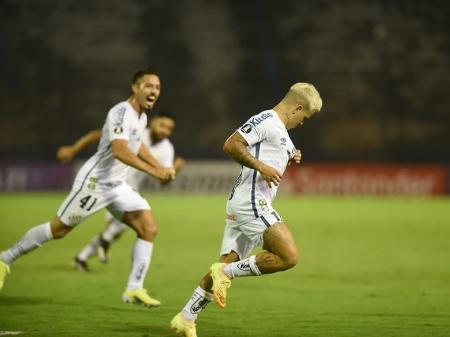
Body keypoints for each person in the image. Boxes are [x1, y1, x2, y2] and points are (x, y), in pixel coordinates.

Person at [0, 68, 176, 309]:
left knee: (148, 228)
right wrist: (154, 171)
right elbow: (120, 150)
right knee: (58, 230)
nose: (154, 91)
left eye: (157, 87)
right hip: (95, 183)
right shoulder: (121, 112)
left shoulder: (142, 117)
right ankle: (4, 259)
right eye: (149, 86)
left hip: (117, 186)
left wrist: (160, 167)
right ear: (135, 88)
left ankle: (134, 289)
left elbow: (138, 146)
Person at [170, 83, 322, 337]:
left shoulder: (281, 132)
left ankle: (186, 317)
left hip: (244, 201)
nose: (303, 123)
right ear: (296, 108)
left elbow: (272, 149)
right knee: (288, 256)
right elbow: (231, 144)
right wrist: (261, 166)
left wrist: (291, 155)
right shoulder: (266, 119)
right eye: (305, 117)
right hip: (251, 202)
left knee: (227, 260)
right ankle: (225, 274)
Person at [55, 111, 185, 271]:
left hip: (128, 191)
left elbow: (162, 181)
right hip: (106, 182)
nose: (165, 130)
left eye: (170, 128)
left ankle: (83, 257)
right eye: (162, 125)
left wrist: (174, 170)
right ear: (153, 121)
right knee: (68, 226)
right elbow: (97, 134)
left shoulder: (167, 148)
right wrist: (74, 149)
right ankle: (96, 245)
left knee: (119, 227)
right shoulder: (135, 132)